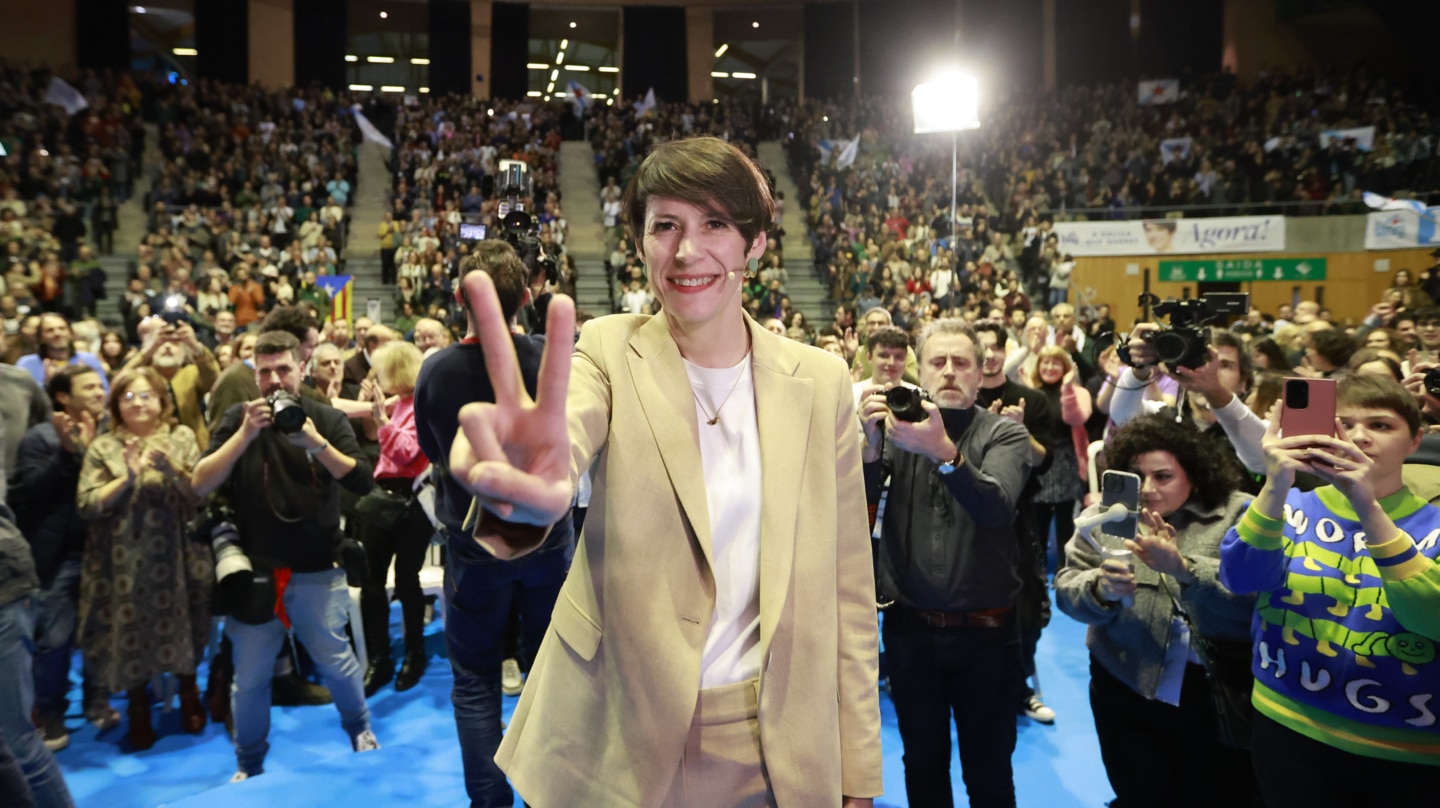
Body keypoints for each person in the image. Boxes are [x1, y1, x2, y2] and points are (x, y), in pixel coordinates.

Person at [451, 137, 882, 806]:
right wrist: (530, 489)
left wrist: (858, 769)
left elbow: (850, 591)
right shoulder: (606, 348)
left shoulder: (821, 382)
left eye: (714, 223)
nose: (687, 251)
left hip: (774, 744)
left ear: (755, 243)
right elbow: (567, 436)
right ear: (641, 241)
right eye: (666, 226)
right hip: (616, 734)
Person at [1219, 375, 1440, 805]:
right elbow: (1239, 579)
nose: (1358, 436)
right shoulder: (1291, 507)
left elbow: (1431, 619)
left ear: (1416, 440)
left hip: (1407, 753)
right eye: (1344, 424)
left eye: (1380, 425)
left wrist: (1368, 508)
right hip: (1285, 727)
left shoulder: (1433, 526)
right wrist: (1275, 483)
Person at [413, 242, 575, 806]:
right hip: (547, 541)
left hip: (472, 541)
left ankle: (489, 800)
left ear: (459, 298)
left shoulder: (435, 371)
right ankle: (542, 793)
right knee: (546, 675)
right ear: (529, 294)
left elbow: (434, 450)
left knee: (476, 679)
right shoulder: (552, 360)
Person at [859, 318, 1032, 808]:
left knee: (990, 772)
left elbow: (995, 505)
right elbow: (852, 515)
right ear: (920, 373)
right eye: (938, 362)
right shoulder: (893, 432)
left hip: (989, 636)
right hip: (910, 633)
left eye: (962, 363)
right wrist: (870, 451)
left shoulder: (1005, 435)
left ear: (981, 374)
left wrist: (942, 452)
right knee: (922, 765)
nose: (950, 372)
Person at [192, 331, 379, 783]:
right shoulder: (241, 417)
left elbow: (361, 481)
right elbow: (199, 483)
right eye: (265, 371)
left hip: (317, 564)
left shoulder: (324, 418)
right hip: (255, 570)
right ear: (253, 375)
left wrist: (314, 443)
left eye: (283, 369)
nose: (274, 379)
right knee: (251, 678)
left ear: (301, 369)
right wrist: (243, 435)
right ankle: (248, 763)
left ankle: (360, 731)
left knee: (336, 662)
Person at [1055, 414, 1258, 808]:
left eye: (1163, 477)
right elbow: (1066, 589)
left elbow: (1254, 601)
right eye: (1137, 475)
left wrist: (1183, 569)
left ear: (1194, 475)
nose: (1147, 489)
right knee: (1138, 793)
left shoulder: (1239, 515)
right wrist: (1100, 589)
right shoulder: (1109, 514)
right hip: (1124, 682)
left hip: (1212, 694)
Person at [75, 367, 212, 751]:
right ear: (117, 404)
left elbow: (199, 493)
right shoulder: (104, 446)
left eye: (145, 395)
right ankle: (138, 708)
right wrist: (128, 479)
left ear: (161, 400)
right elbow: (85, 504)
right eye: (128, 397)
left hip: (177, 555)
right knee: (129, 633)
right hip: (121, 561)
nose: (137, 403)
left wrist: (172, 471)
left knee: (182, 624)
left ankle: (189, 694)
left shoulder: (180, 437)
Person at [12, 366, 117, 751]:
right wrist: (68, 453)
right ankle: (50, 712)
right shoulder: (40, 438)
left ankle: (96, 699)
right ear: (63, 398)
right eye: (87, 387)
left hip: (105, 551)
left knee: (101, 634)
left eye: (100, 385)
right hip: (59, 558)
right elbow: (32, 495)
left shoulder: (111, 435)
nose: (97, 391)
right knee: (54, 639)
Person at [354, 340, 435, 694]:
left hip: (412, 501)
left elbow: (406, 452)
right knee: (373, 583)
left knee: (406, 580)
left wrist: (382, 421)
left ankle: (413, 655)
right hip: (384, 499)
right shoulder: (399, 403)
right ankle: (380, 658)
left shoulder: (421, 405)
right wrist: (379, 417)